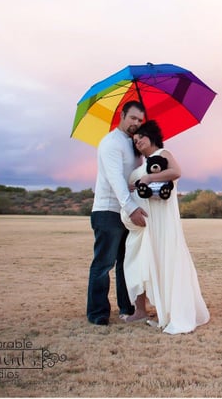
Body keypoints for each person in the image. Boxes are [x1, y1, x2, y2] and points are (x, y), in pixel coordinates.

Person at [121, 120, 210, 334]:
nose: (138, 141)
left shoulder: (163, 152)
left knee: (167, 260)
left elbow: (176, 172)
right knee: (148, 262)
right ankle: (152, 311)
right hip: (148, 223)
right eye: (135, 140)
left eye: (141, 136)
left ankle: (175, 311)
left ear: (151, 135)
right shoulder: (142, 164)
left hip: (163, 220)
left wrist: (150, 177)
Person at [86, 101, 149, 326]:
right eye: (133, 118)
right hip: (108, 210)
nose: (136, 123)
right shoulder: (110, 143)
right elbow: (115, 179)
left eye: (140, 120)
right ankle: (98, 313)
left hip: (126, 210)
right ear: (121, 115)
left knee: (126, 263)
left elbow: (132, 179)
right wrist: (131, 208)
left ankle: (128, 308)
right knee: (103, 264)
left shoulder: (133, 145)